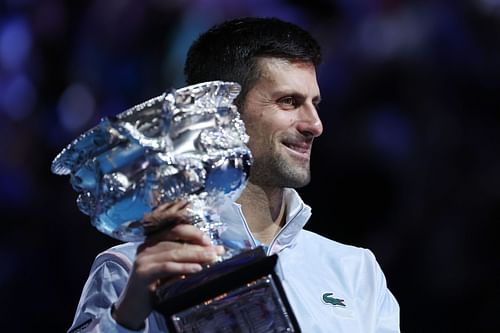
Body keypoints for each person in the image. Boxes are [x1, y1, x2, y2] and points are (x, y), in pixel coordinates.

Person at [68, 17, 400, 333]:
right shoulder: (131, 271)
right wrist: (126, 316)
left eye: (315, 103)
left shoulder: (355, 269)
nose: (315, 124)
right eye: (288, 101)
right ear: (224, 114)